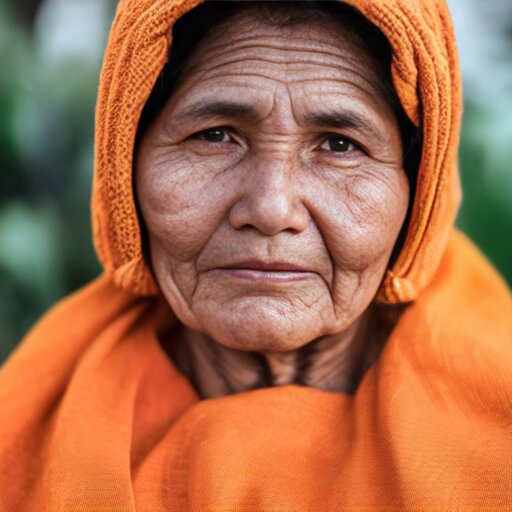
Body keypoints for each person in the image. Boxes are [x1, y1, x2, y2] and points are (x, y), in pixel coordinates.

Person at [0, 0, 510, 510]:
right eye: (215, 136)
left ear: (418, 188)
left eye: (339, 144)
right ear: (125, 167)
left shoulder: (494, 428)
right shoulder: (24, 434)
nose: (271, 209)